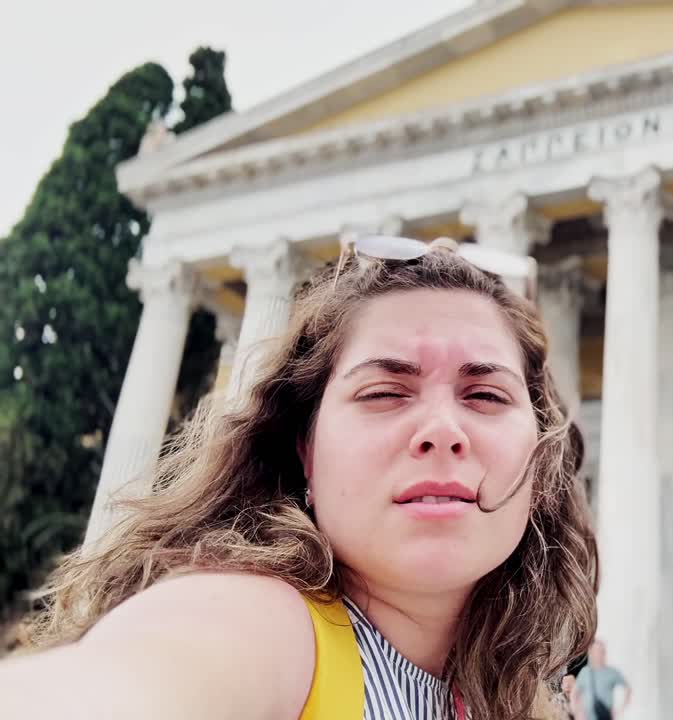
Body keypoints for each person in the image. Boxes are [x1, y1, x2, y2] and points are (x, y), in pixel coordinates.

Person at [0, 236, 599, 719]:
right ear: (305, 451)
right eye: (385, 392)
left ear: (541, 463)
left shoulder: (517, 702)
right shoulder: (258, 625)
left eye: (487, 395)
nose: (443, 429)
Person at [576, 639, 631, 720]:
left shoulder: (611, 672)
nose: (598, 654)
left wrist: (620, 709)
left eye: (600, 651)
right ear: (591, 653)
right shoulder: (585, 672)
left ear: (604, 653)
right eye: (596, 651)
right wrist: (578, 712)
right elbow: (575, 694)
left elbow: (627, 689)